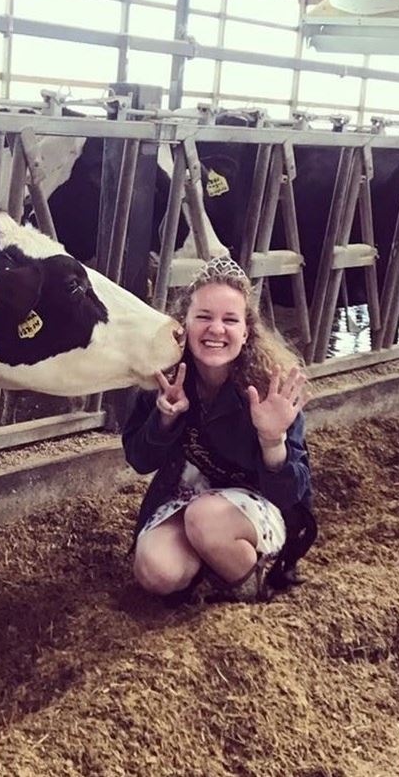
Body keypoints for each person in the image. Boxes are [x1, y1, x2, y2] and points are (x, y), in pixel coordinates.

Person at [122, 256, 316, 604]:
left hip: (255, 510)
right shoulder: (167, 379)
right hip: (187, 497)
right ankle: (209, 569)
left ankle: (251, 581)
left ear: (246, 332)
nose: (216, 329)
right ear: (184, 323)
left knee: (206, 518)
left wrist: (273, 440)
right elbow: (139, 459)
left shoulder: (271, 387)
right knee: (154, 570)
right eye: (204, 317)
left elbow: (293, 493)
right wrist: (164, 419)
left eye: (230, 319)